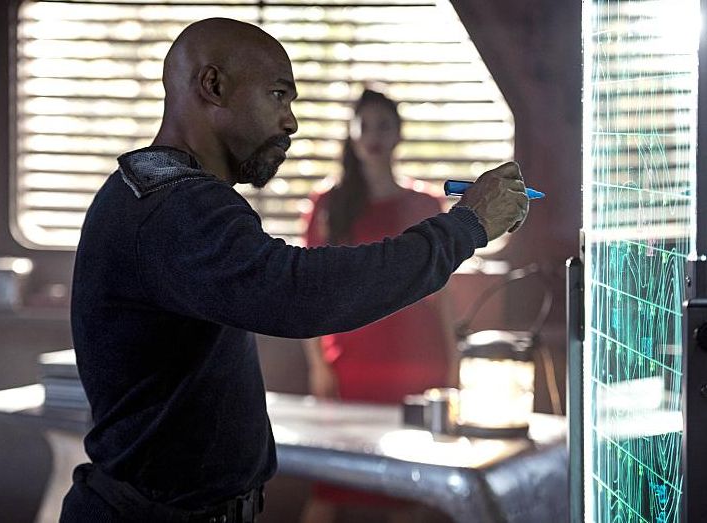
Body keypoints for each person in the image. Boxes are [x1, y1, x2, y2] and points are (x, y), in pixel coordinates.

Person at [60, 17, 529, 523]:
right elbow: (299, 292)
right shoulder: (176, 207)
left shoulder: (157, 191)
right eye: (278, 95)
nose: (291, 122)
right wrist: (466, 227)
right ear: (213, 86)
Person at [300, 88, 459, 523]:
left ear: (398, 134)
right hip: (352, 362)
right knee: (331, 485)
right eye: (364, 125)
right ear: (351, 135)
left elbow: (442, 295)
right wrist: (318, 364)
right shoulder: (328, 205)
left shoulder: (425, 204)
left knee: (408, 490)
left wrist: (454, 360)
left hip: (417, 360)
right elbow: (309, 291)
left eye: (383, 125)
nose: (373, 135)